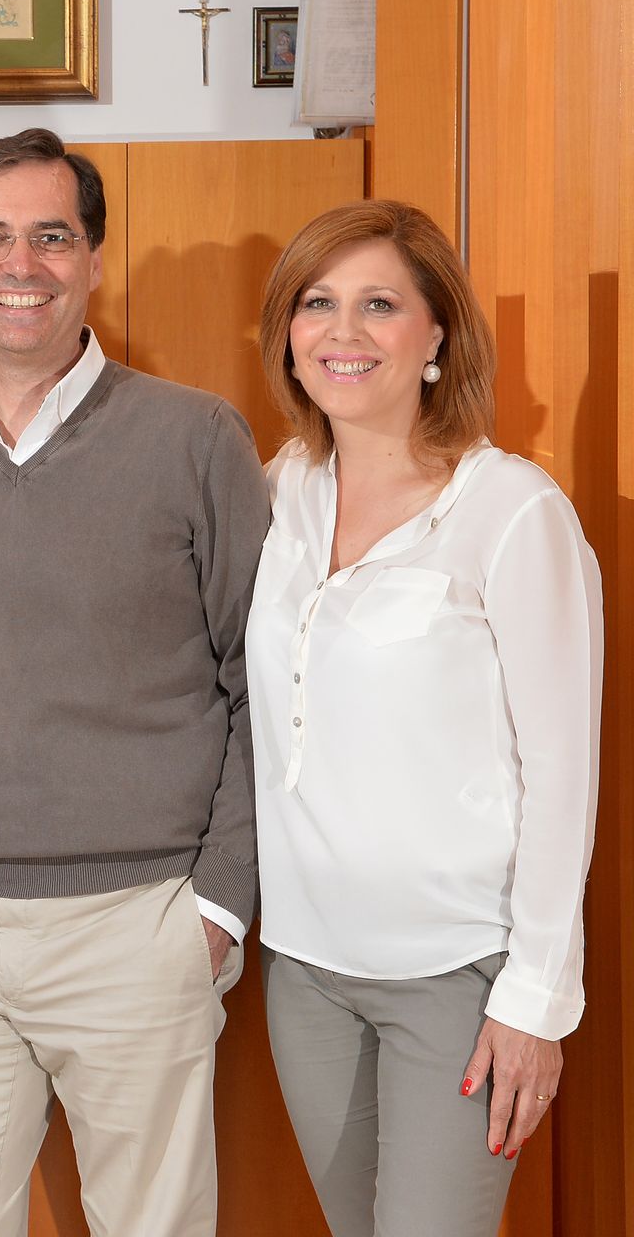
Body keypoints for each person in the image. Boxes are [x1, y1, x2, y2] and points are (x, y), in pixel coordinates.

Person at [0, 127, 269, 1236]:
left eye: (50, 237)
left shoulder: (195, 439)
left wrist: (219, 903)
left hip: (142, 920)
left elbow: (263, 682)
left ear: (91, 259)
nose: (17, 264)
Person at [249, 199, 602, 1235]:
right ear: (288, 336)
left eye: (379, 305)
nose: (343, 331)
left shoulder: (513, 510)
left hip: (457, 976)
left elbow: (563, 772)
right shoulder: (283, 492)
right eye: (317, 303)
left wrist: (535, 998)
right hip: (305, 968)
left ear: (437, 335)